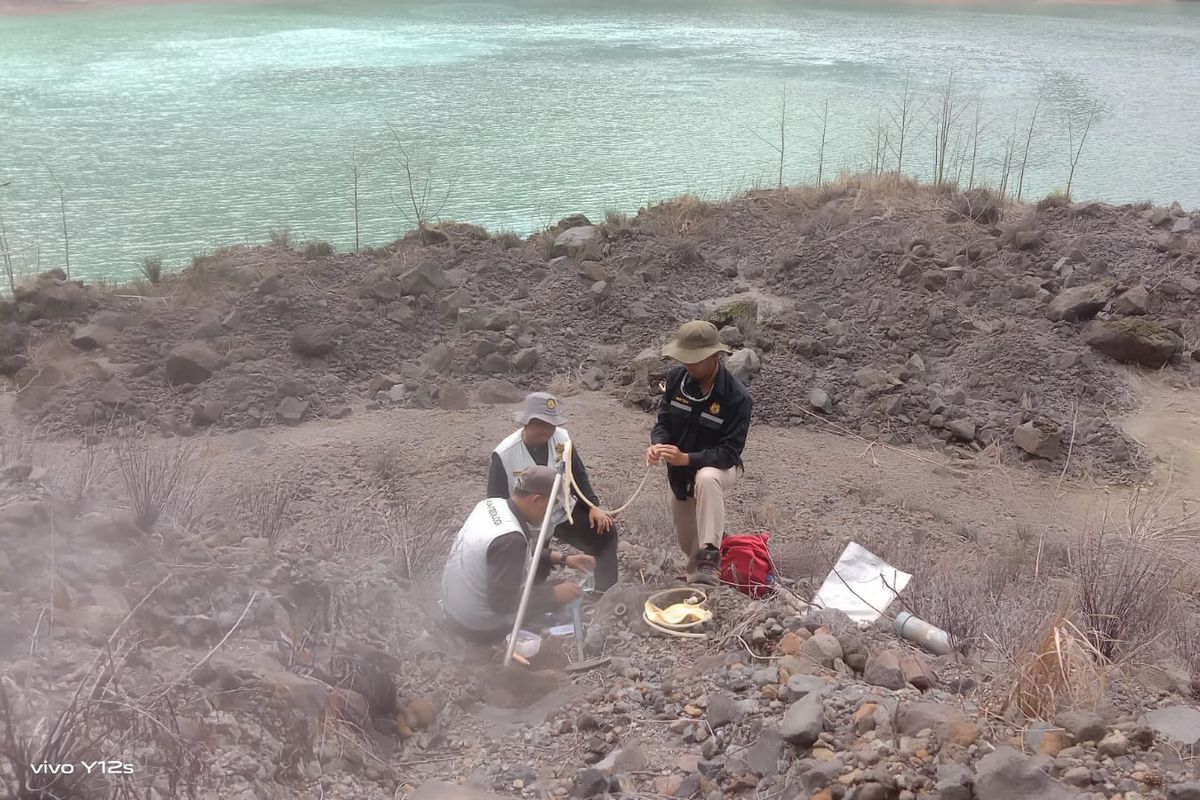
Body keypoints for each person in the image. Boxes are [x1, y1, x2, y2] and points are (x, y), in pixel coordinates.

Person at [645, 320, 752, 586]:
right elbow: (664, 423)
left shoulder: (737, 397)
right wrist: (658, 444)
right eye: (685, 359)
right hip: (679, 472)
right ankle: (701, 570)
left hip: (720, 467)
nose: (689, 365)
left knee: (706, 478)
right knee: (687, 543)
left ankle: (711, 560)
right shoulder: (675, 379)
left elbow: (729, 452)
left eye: (695, 360)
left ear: (715, 356)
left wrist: (688, 459)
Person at [442, 465, 596, 644]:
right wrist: (553, 595)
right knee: (559, 591)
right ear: (537, 499)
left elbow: (503, 556)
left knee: (554, 589)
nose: (553, 511)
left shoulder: (492, 505)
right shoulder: (511, 539)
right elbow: (502, 603)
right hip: (478, 627)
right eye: (553, 503)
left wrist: (564, 559)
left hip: (455, 611)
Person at [487, 392, 618, 592]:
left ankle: (605, 594)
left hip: (560, 510)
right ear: (528, 422)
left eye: (552, 424)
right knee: (534, 573)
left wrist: (592, 506)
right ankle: (535, 606)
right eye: (542, 424)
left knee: (604, 532)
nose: (549, 430)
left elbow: (577, 474)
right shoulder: (504, 454)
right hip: (528, 523)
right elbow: (495, 501)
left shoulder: (562, 440)